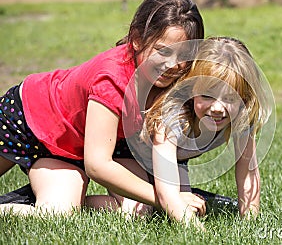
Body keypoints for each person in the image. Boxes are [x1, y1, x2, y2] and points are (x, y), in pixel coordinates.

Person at [0, 0, 206, 218]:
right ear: (137, 39)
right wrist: (170, 200)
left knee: (62, 213)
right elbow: (98, 165)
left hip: (78, 147)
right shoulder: (112, 78)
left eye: (183, 55)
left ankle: (35, 200)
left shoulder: (176, 79)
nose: (172, 65)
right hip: (28, 118)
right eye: (162, 51)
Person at [93, 37, 272, 226]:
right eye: (207, 96)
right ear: (192, 89)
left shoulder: (240, 115)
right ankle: (80, 203)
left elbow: (247, 171)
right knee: (141, 211)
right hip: (129, 154)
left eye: (229, 97)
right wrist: (195, 230)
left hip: (174, 161)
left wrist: (250, 219)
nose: (218, 108)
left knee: (189, 207)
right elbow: (167, 193)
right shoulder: (173, 116)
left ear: (244, 98)